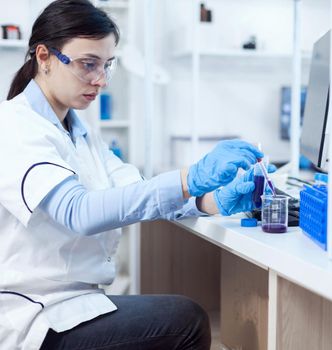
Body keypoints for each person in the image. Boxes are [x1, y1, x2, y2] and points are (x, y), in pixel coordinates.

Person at [0, 1, 268, 349]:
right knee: (187, 319)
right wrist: (189, 178)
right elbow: (77, 212)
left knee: (183, 313)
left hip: (70, 304)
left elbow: (140, 193)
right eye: (88, 65)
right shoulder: (15, 126)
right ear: (44, 57)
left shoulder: (81, 132)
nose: (100, 80)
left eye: (107, 66)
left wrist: (211, 200)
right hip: (33, 317)